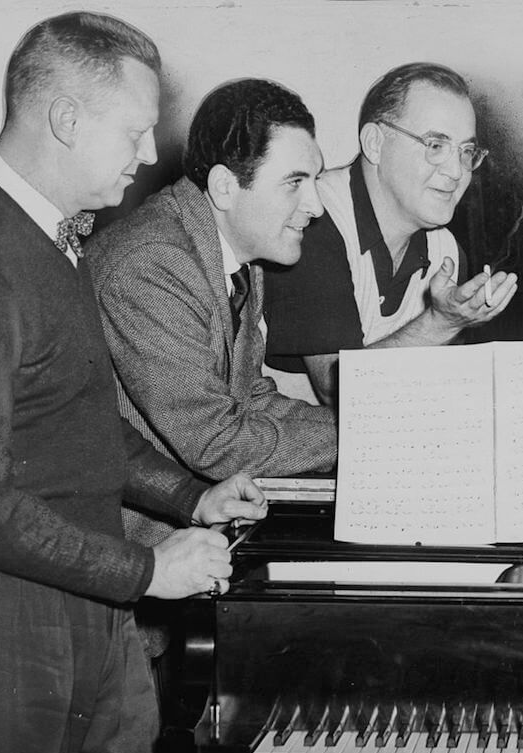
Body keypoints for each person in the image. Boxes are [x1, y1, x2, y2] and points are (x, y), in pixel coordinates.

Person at [0, 13, 266, 753]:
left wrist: (189, 500)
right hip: (1, 625)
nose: (149, 154)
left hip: (92, 616)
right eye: (135, 131)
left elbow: (77, 431)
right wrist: (146, 567)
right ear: (64, 112)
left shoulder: (53, 239)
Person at [89, 76, 337, 551]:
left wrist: (365, 430)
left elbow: (250, 398)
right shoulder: (151, 264)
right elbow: (216, 440)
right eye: (294, 184)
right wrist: (367, 443)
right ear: (225, 186)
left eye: (316, 181)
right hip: (140, 557)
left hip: (198, 535)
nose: (316, 206)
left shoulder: (237, 252)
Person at [262, 62, 516, 406]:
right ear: (375, 143)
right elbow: (336, 389)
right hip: (290, 453)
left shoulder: (447, 252)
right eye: (435, 145)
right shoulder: (313, 220)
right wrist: (440, 322)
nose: (457, 171)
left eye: (466, 151)